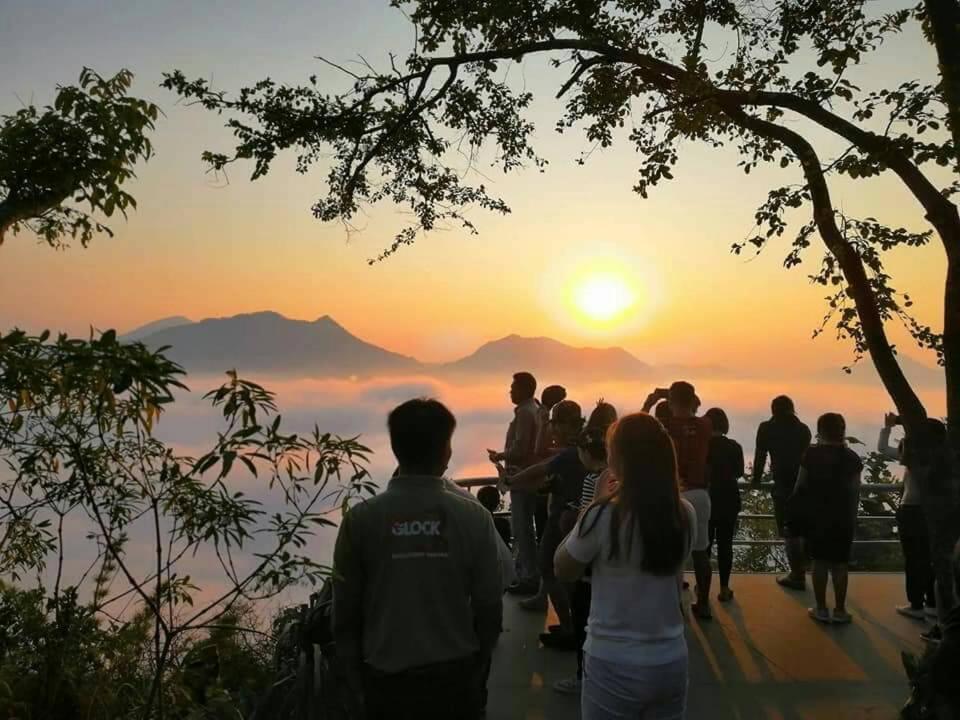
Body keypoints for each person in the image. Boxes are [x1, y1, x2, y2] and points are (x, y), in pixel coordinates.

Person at [333, 399, 503, 720]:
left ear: (396, 448)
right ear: (445, 451)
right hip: (455, 678)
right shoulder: (474, 517)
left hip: (384, 680)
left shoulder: (361, 520)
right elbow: (489, 607)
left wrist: (355, 683)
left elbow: (345, 613)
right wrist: (477, 669)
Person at [555, 413, 696, 720]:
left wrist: (592, 505)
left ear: (620, 459)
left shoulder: (604, 516)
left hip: (613, 661)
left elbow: (563, 568)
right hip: (671, 657)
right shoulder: (684, 512)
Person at [500, 400, 585, 646]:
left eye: (554, 424)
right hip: (571, 520)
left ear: (565, 425)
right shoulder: (579, 451)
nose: (552, 430)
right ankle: (574, 625)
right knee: (569, 575)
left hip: (562, 520)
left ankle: (570, 628)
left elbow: (540, 469)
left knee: (548, 567)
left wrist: (512, 480)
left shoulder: (569, 454)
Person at [553, 402, 618, 697]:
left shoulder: (594, 480)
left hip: (587, 567)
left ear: (585, 453)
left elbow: (587, 518)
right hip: (608, 569)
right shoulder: (617, 480)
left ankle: (584, 677)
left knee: (584, 623)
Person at [644, 381, 713, 619]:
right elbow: (693, 402)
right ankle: (703, 603)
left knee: (672, 554)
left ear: (671, 402)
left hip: (674, 494)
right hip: (700, 495)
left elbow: (636, 428)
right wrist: (674, 395)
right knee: (701, 552)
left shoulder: (665, 426)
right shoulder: (705, 425)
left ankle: (675, 606)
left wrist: (650, 402)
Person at [794, 413, 862, 625]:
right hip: (843, 517)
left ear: (820, 430)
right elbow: (855, 491)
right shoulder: (851, 458)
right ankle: (840, 610)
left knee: (819, 562)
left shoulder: (811, 455)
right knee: (840, 565)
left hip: (816, 517)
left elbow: (800, 486)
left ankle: (821, 608)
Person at [906, 418, 960, 644]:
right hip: (952, 526)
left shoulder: (930, 464)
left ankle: (945, 627)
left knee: (944, 578)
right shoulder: (952, 458)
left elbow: (923, 481)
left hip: (941, 525)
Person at [878, 413, 937, 621]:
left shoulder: (913, 456)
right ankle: (933, 602)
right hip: (935, 513)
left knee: (913, 559)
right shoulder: (944, 457)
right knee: (932, 558)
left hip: (911, 510)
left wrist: (888, 427)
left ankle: (916, 604)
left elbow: (883, 449)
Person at [488, 372, 541, 596]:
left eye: (513, 387)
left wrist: (499, 456)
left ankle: (528, 577)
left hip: (522, 479)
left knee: (522, 529)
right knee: (525, 528)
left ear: (523, 389)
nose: (510, 391)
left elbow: (520, 450)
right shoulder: (533, 409)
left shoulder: (525, 414)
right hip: (529, 479)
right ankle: (528, 575)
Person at [753, 395, 813, 590]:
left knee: (788, 531)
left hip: (782, 486)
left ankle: (797, 575)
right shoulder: (803, 430)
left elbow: (760, 455)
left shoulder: (767, 428)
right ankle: (803, 569)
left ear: (773, 410)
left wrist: (756, 479)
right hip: (805, 486)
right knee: (802, 529)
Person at [705, 407, 745, 603]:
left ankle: (702, 585)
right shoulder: (735, 446)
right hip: (729, 498)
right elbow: (739, 473)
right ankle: (724, 587)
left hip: (707, 498)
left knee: (704, 545)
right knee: (725, 545)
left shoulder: (702, 446)